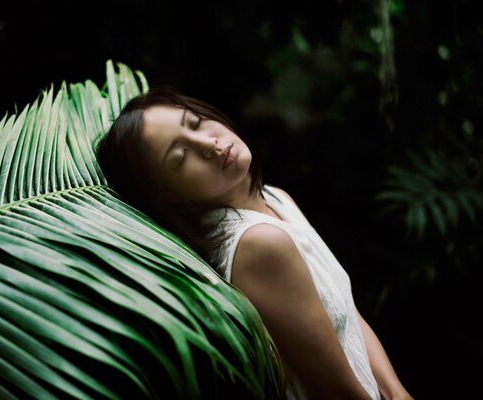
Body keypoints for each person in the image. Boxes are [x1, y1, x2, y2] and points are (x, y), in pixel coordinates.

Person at [95, 86, 413, 400]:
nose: (210, 144)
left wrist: (397, 392)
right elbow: (335, 391)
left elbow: (348, 313)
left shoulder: (276, 198)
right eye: (181, 156)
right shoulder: (259, 245)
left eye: (195, 123)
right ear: (169, 196)